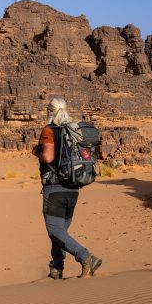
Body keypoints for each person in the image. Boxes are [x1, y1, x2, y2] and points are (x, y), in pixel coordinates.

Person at [33, 97, 103, 279]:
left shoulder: (50, 130)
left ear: (50, 111)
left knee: (55, 231)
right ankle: (56, 269)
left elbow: (48, 157)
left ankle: (86, 257)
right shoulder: (72, 131)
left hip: (55, 188)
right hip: (73, 187)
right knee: (59, 233)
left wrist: (38, 153)